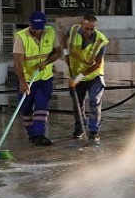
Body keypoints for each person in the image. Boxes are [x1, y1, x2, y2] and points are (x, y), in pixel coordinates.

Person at [12, 11, 62, 146]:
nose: (38, 31)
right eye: (35, 28)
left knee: (42, 104)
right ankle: (32, 135)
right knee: (26, 109)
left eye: (41, 28)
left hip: (45, 78)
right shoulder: (21, 37)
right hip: (28, 78)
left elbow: (58, 51)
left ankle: (40, 134)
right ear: (30, 25)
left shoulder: (50, 32)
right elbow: (17, 62)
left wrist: (46, 63)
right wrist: (22, 81)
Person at [63, 13, 109, 142]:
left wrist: (79, 77)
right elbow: (61, 35)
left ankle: (94, 132)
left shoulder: (101, 40)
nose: (88, 32)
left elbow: (98, 64)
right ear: (81, 25)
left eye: (91, 29)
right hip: (75, 72)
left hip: (94, 74)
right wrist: (65, 53)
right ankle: (79, 129)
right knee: (77, 103)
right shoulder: (72, 31)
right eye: (86, 28)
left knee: (95, 102)